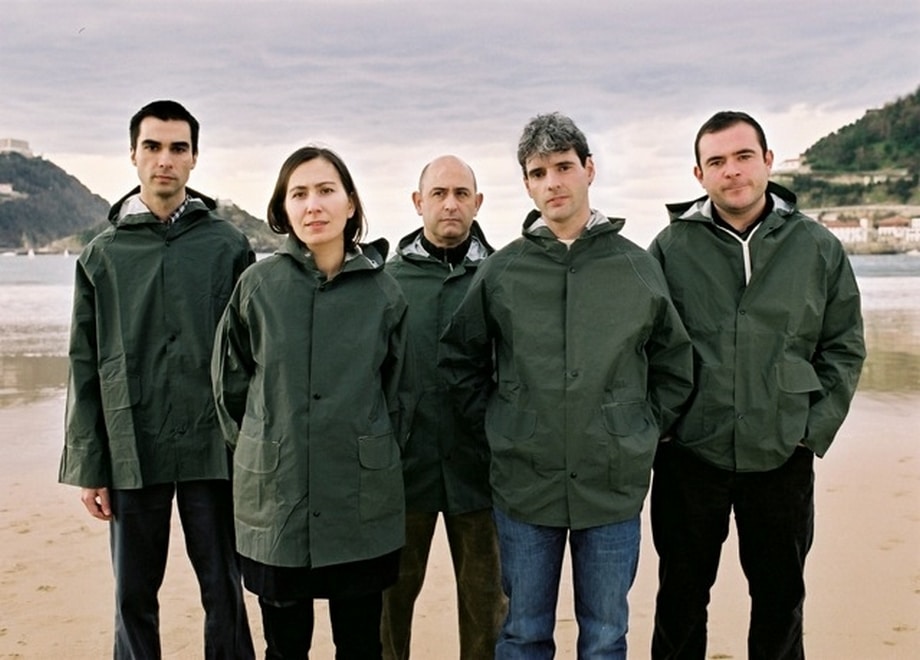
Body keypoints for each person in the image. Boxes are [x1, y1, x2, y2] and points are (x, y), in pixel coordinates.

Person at [440, 113, 694, 659]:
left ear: (589, 170)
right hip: (524, 484)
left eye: (563, 167)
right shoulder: (502, 271)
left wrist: (637, 430)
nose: (552, 182)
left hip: (612, 484)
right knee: (524, 633)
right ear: (527, 185)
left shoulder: (636, 266)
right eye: (538, 173)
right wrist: (502, 424)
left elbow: (674, 363)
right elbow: (460, 359)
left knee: (605, 637)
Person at [648, 111, 866, 660]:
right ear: (699, 174)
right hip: (689, 455)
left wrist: (809, 430)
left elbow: (843, 345)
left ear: (768, 161)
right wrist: (663, 428)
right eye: (717, 161)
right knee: (679, 601)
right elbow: (644, 346)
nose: (732, 171)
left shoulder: (817, 246)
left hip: (782, 452)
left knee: (780, 600)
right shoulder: (670, 248)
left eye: (744, 156)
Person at [58, 100, 255, 659]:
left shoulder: (228, 245)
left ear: (194, 158)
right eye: (152, 146)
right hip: (132, 444)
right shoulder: (102, 255)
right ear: (133, 155)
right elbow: (84, 363)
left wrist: (254, 448)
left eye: (177, 148)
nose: (164, 159)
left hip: (213, 446)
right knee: (133, 594)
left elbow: (252, 355)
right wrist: (90, 465)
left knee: (224, 587)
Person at [211, 145, 411, 659]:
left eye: (326, 190)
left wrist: (371, 450)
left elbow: (400, 396)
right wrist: (263, 448)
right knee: (284, 648)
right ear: (284, 208)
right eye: (298, 194)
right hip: (277, 500)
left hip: (360, 501)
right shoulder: (256, 287)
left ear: (350, 203)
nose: (313, 205)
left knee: (361, 646)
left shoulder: (384, 294)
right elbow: (230, 390)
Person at [381, 155, 507, 659]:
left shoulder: (501, 275)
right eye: (438, 194)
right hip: (402, 474)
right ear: (418, 203)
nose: (450, 204)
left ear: (478, 202)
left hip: (480, 472)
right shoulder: (387, 281)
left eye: (461, 194)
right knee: (388, 607)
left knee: (486, 610)